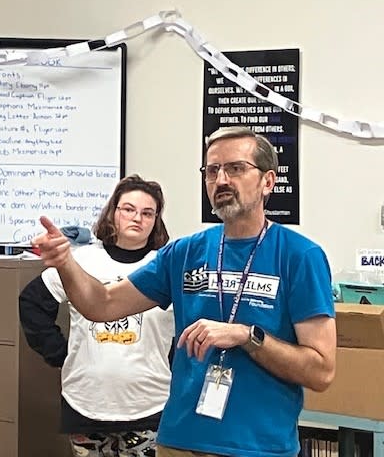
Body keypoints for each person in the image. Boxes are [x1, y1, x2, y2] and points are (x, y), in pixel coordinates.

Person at [33, 127, 336, 457]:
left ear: (268, 181)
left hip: (259, 446)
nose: (221, 180)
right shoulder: (184, 253)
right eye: (212, 170)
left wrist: (247, 336)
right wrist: (66, 262)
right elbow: (102, 304)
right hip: (180, 441)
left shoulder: (299, 256)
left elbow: (321, 371)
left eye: (235, 168)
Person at [20, 175, 174, 457]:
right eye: (128, 209)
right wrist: (61, 353)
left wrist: (169, 362)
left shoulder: (166, 265)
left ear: (156, 221)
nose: (137, 218)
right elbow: (32, 302)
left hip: (148, 405)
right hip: (86, 402)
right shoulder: (82, 260)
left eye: (147, 213)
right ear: (113, 212)